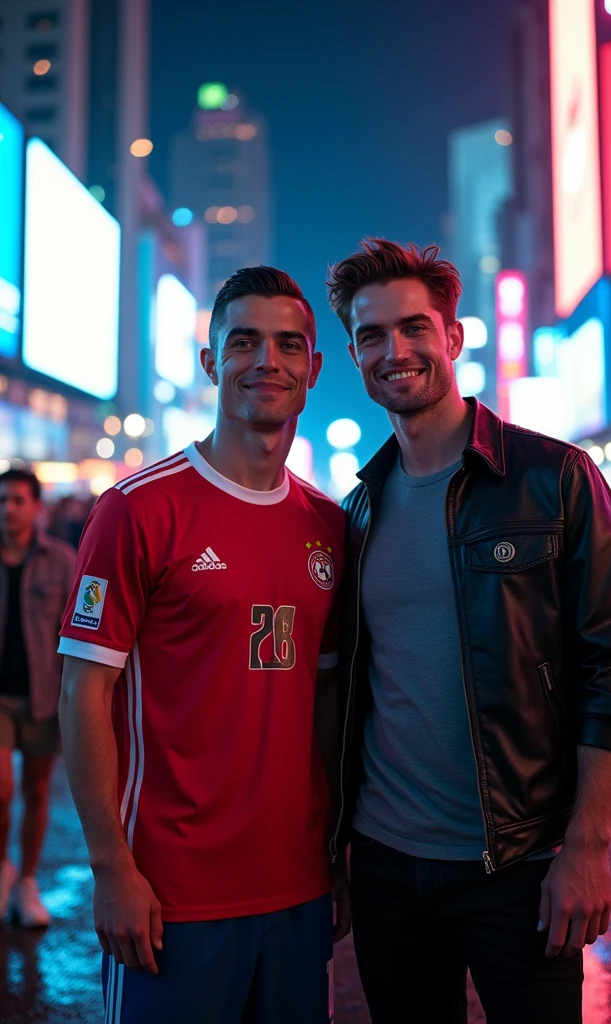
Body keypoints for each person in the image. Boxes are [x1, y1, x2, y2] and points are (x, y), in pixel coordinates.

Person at [325, 239, 611, 1024]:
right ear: (354, 353)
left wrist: (587, 847)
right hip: (388, 866)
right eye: (371, 336)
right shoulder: (358, 508)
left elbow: (610, 672)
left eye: (413, 328)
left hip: (521, 862)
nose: (393, 352)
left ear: (454, 336)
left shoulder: (556, 477)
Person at [58, 267, 350, 1024]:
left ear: (313, 368)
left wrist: (338, 853)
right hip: (170, 896)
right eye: (244, 341)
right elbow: (81, 691)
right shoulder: (137, 509)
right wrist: (110, 868)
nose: (267, 361)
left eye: (289, 345)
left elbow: (324, 703)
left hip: (299, 890)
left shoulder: (330, 525)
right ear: (211, 360)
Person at [0, 468, 76, 927]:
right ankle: (2, 867)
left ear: (36, 507)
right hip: (0, 699)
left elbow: (75, 631)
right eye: (3, 499)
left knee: (37, 790)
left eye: (17, 500)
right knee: (2, 790)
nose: (8, 508)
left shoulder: (61, 560)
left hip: (44, 696)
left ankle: (26, 880)